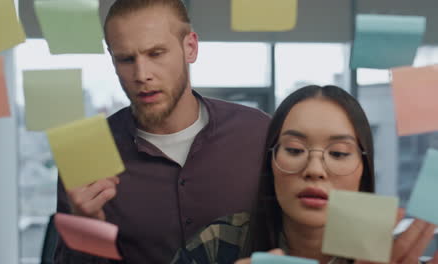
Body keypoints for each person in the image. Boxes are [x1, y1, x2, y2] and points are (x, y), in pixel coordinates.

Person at [54, 0, 270, 263]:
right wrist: (86, 227)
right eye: (126, 59)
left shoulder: (259, 133)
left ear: (190, 47)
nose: (142, 74)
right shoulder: (85, 154)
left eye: (156, 53)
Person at [170, 85, 438, 264]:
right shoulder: (220, 241)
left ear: (363, 172)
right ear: (271, 163)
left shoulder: (393, 257)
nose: (314, 170)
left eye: (339, 154)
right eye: (295, 150)